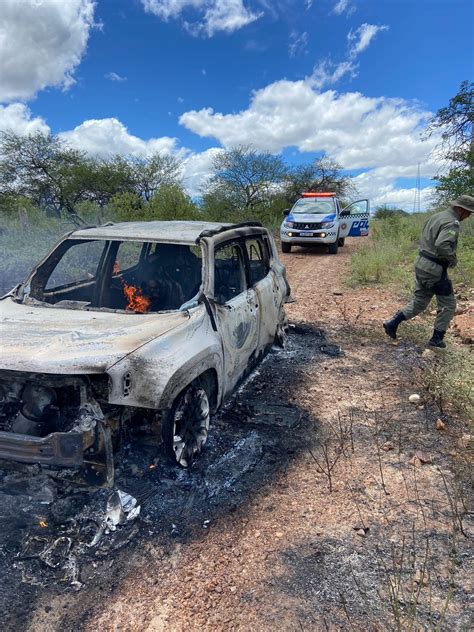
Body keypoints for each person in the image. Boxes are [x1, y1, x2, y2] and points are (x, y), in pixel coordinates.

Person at [383, 194, 474, 348]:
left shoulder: (436, 216)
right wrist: (452, 259)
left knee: (420, 301)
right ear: (460, 209)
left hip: (422, 263)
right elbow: (442, 245)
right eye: (468, 212)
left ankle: (392, 323)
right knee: (449, 304)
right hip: (434, 268)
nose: (469, 215)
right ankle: (437, 338)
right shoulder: (452, 223)